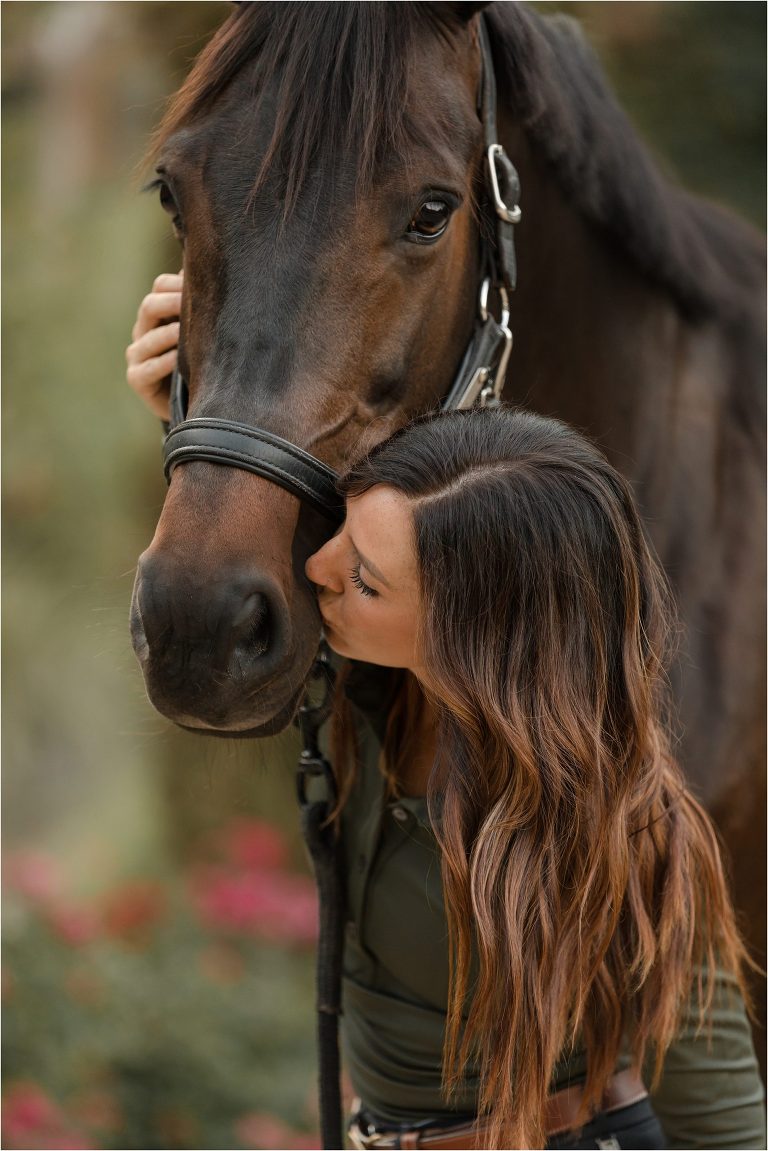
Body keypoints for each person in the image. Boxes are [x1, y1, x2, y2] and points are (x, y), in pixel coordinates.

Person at [127, 284, 765, 1150]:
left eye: (366, 578)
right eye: (344, 534)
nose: (318, 568)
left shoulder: (620, 830)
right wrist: (194, 408)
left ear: (473, 639)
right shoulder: (374, 691)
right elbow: (235, 572)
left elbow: (727, 1128)